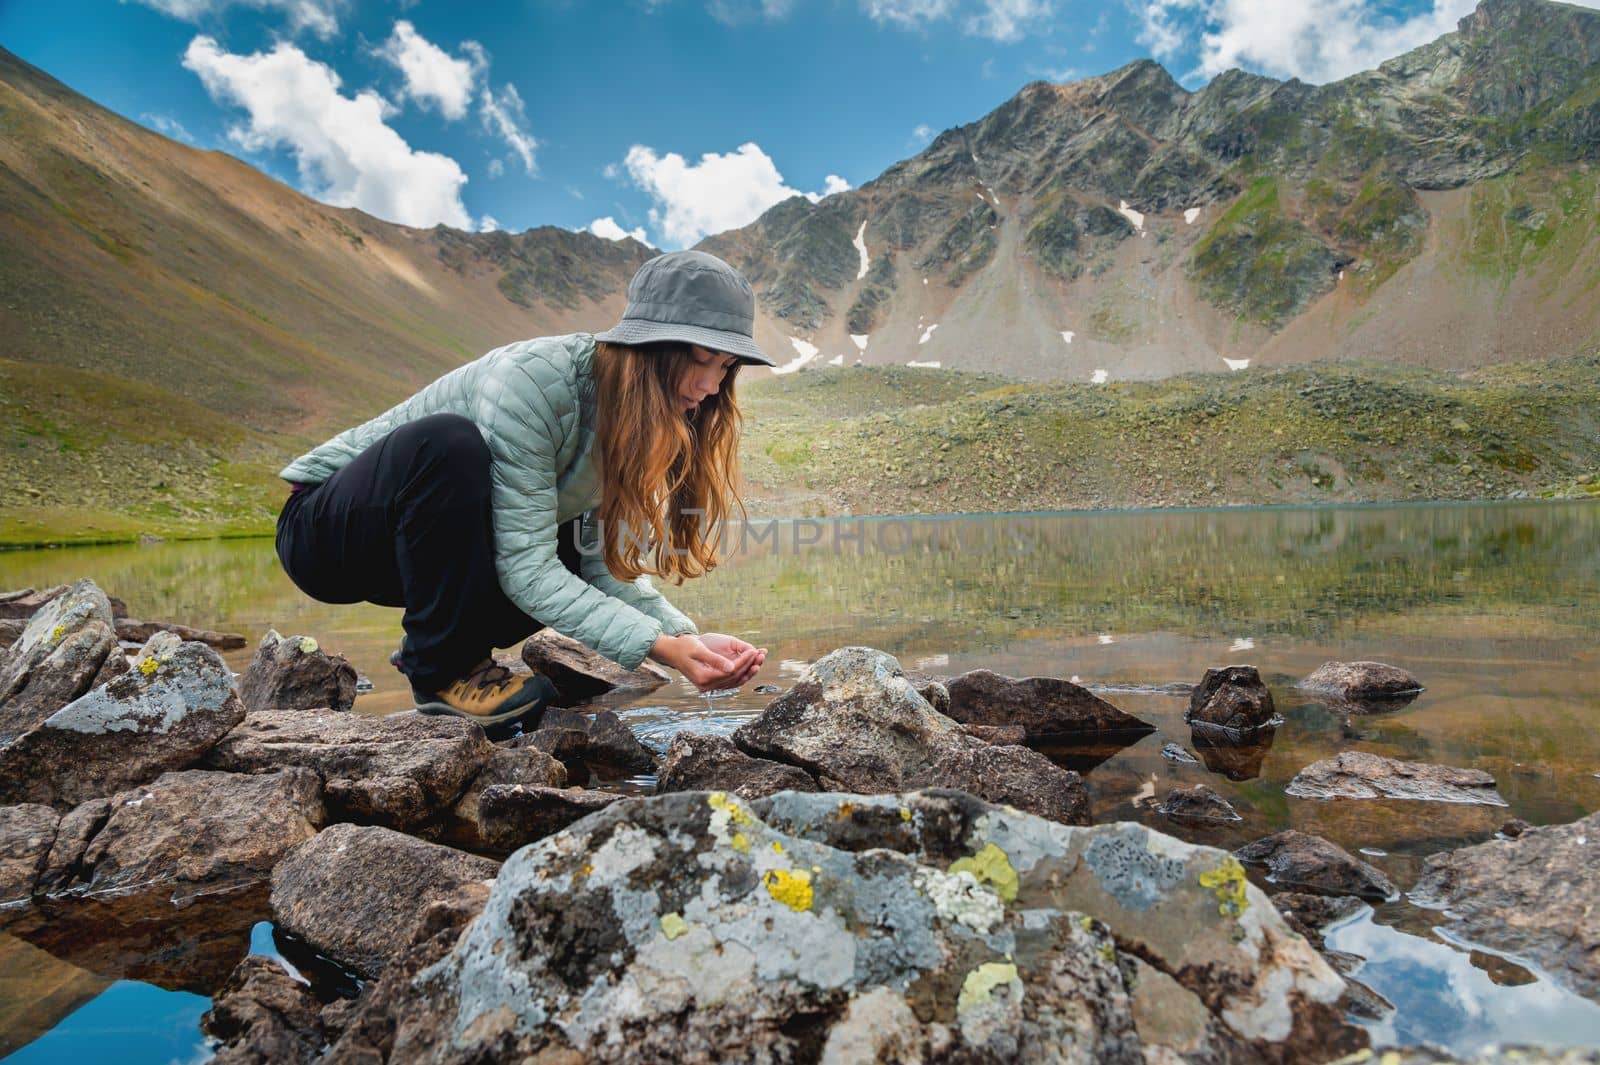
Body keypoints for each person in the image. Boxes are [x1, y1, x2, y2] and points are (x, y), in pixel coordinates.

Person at [274, 250, 770, 724]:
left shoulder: (635, 419)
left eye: (725, 367)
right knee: (448, 444)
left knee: (571, 549)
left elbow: (600, 565)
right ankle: (440, 672)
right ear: (650, 345)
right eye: (702, 358)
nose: (709, 386)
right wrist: (658, 649)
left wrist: (687, 638)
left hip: (424, 558)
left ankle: (437, 650)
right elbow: (524, 567)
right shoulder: (533, 380)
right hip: (327, 536)